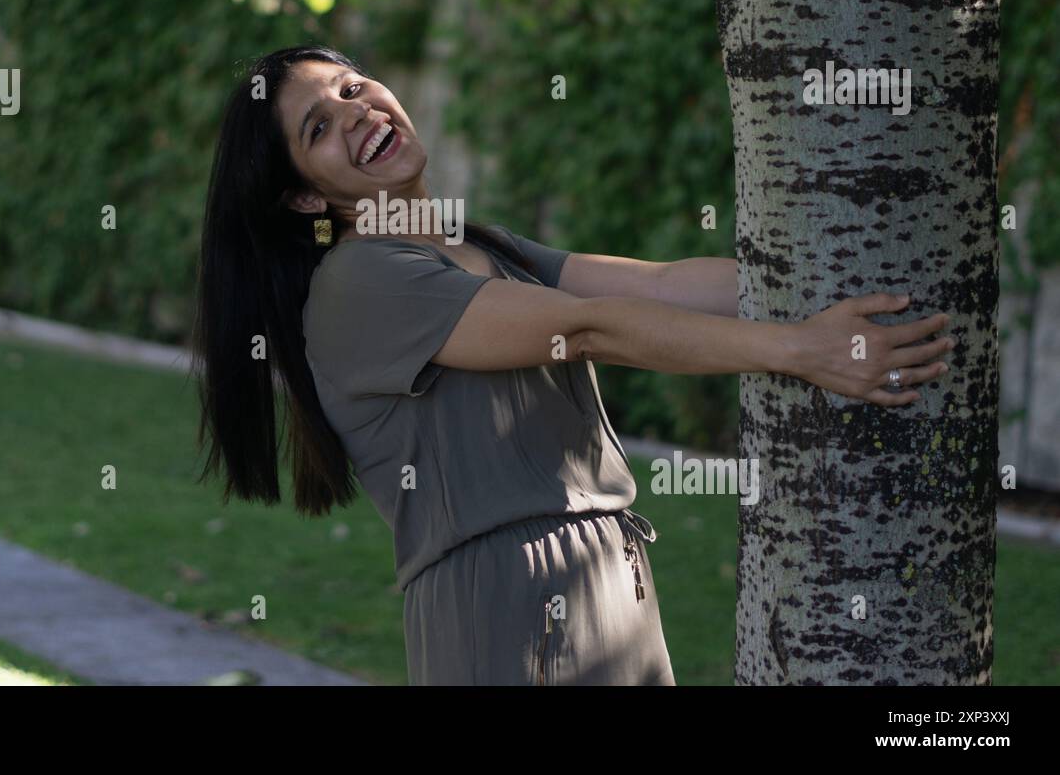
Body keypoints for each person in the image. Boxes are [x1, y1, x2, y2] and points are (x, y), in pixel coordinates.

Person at [193, 44, 954, 685]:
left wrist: (823, 284)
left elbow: (657, 283)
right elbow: (585, 329)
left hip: (608, 584)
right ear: (301, 198)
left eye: (354, 87)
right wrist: (801, 350)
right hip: (508, 607)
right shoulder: (360, 282)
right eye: (320, 125)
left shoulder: (480, 246)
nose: (357, 111)